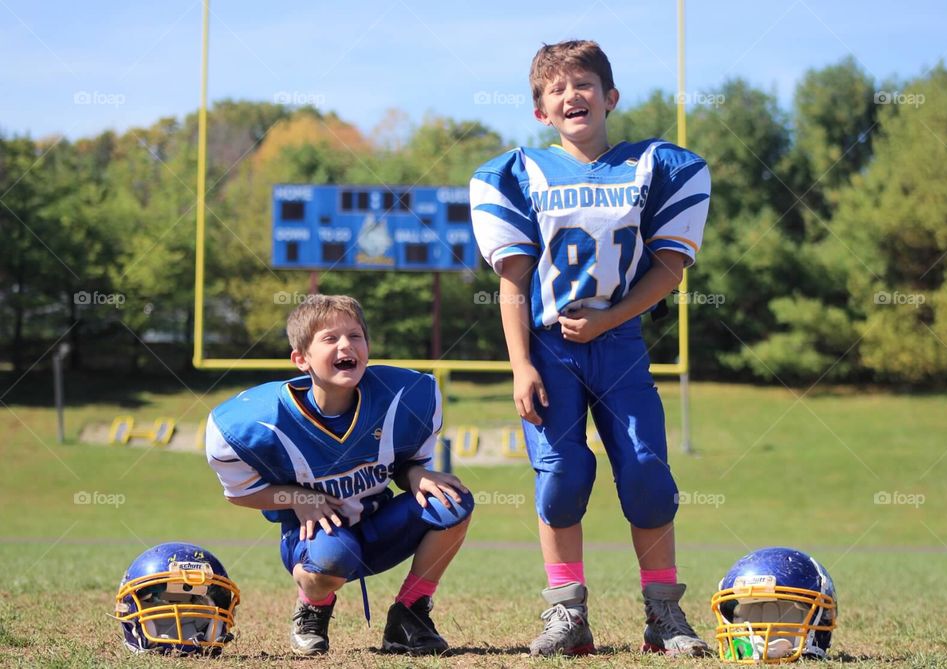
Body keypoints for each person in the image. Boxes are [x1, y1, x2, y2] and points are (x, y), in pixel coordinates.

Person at [469, 40, 710, 657]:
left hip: (619, 342)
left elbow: (669, 270)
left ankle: (663, 612)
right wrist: (521, 364)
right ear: (540, 110)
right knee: (562, 477)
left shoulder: (655, 165)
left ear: (610, 96)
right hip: (551, 348)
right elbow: (513, 284)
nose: (571, 95)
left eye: (583, 84)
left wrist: (610, 321)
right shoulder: (518, 173)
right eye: (556, 89)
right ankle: (567, 614)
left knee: (648, 473)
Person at [205, 294, 473, 656]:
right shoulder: (258, 419)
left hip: (381, 524)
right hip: (317, 538)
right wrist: (298, 498)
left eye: (355, 336)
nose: (346, 345)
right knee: (333, 557)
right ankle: (313, 605)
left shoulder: (405, 395)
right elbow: (238, 493)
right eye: (330, 338)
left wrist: (415, 476)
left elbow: (406, 462)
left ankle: (410, 613)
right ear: (301, 359)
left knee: (451, 502)